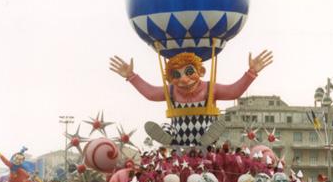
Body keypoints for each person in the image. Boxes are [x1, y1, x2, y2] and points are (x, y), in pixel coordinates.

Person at [109, 50, 273, 146]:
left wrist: (251, 72)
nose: (184, 79)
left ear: (200, 72)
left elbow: (233, 91)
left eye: (189, 72)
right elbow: (150, 93)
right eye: (176, 75)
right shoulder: (171, 91)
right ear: (169, 78)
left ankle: (210, 135)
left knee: (212, 127)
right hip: (180, 139)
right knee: (166, 127)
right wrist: (131, 76)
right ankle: (169, 139)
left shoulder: (210, 88)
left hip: (205, 138)